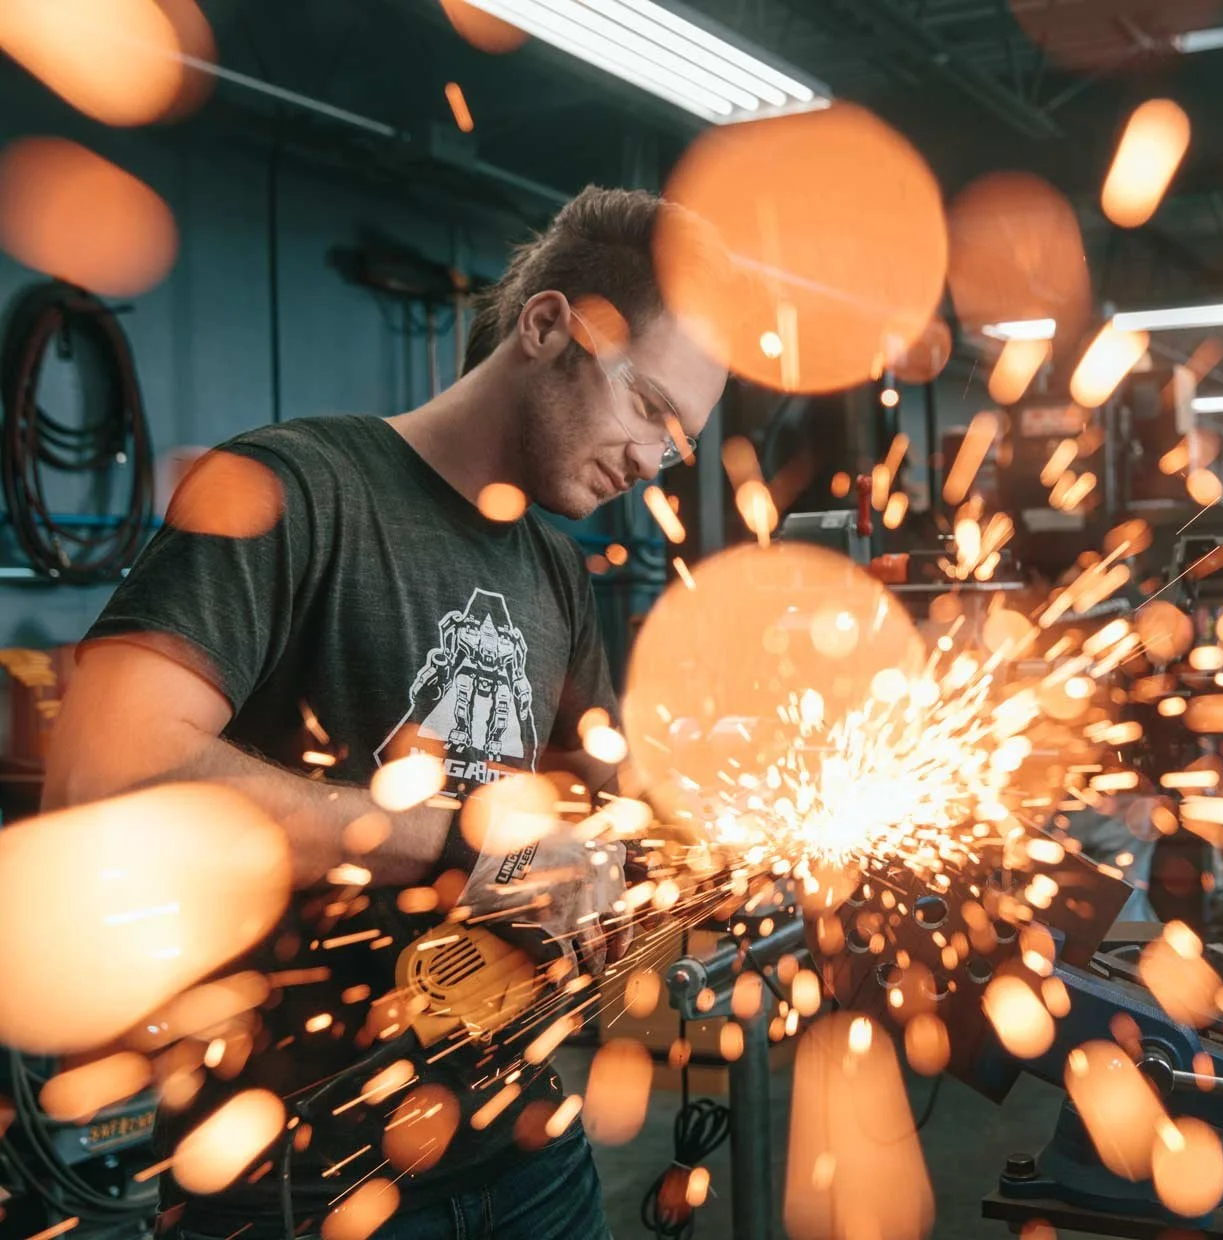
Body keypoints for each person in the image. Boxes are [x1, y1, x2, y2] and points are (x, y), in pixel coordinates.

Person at [42, 186, 731, 1239]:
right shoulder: (294, 490)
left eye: (678, 443)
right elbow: (103, 773)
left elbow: (592, 815)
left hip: (528, 1151)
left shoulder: (554, 569)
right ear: (548, 328)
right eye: (651, 410)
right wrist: (455, 842)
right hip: (302, 1175)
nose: (653, 462)